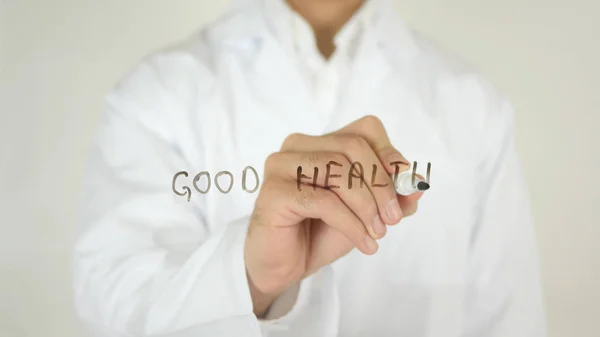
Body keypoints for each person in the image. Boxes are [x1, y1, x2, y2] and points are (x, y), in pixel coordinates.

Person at [73, 0, 546, 336]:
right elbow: (113, 308)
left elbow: (509, 321)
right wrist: (251, 279)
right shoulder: (159, 95)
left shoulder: (471, 105)